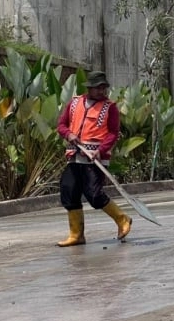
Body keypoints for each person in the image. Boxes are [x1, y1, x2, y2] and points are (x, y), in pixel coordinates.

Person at [55, 71, 132, 247]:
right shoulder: (74, 103)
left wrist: (101, 150)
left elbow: (113, 133)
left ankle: (122, 219)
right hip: (74, 156)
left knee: (94, 194)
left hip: (95, 159)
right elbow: (61, 125)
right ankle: (76, 235)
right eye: (98, 88)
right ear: (89, 88)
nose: (102, 91)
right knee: (69, 191)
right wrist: (69, 134)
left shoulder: (109, 107)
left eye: (104, 87)